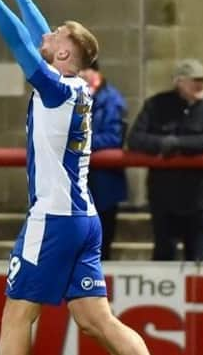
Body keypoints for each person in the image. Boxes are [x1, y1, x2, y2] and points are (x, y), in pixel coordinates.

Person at [0, 0, 150, 355]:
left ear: (65, 54)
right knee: (95, 320)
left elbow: (21, 43)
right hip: (84, 218)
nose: (46, 36)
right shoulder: (77, 87)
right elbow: (38, 37)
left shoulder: (53, 90)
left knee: (17, 313)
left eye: (55, 37)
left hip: (52, 216)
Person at [127, 59, 203, 261]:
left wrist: (178, 143)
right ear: (179, 82)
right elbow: (135, 139)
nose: (200, 85)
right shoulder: (156, 105)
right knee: (164, 254)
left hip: (200, 197)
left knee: (198, 256)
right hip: (164, 196)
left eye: (202, 80)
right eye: (195, 80)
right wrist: (162, 143)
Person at [82, 60, 128, 261]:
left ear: (94, 72)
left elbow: (114, 137)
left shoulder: (111, 99)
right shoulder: (68, 95)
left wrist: (77, 140)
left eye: (84, 69)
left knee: (100, 246)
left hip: (103, 184)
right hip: (74, 186)